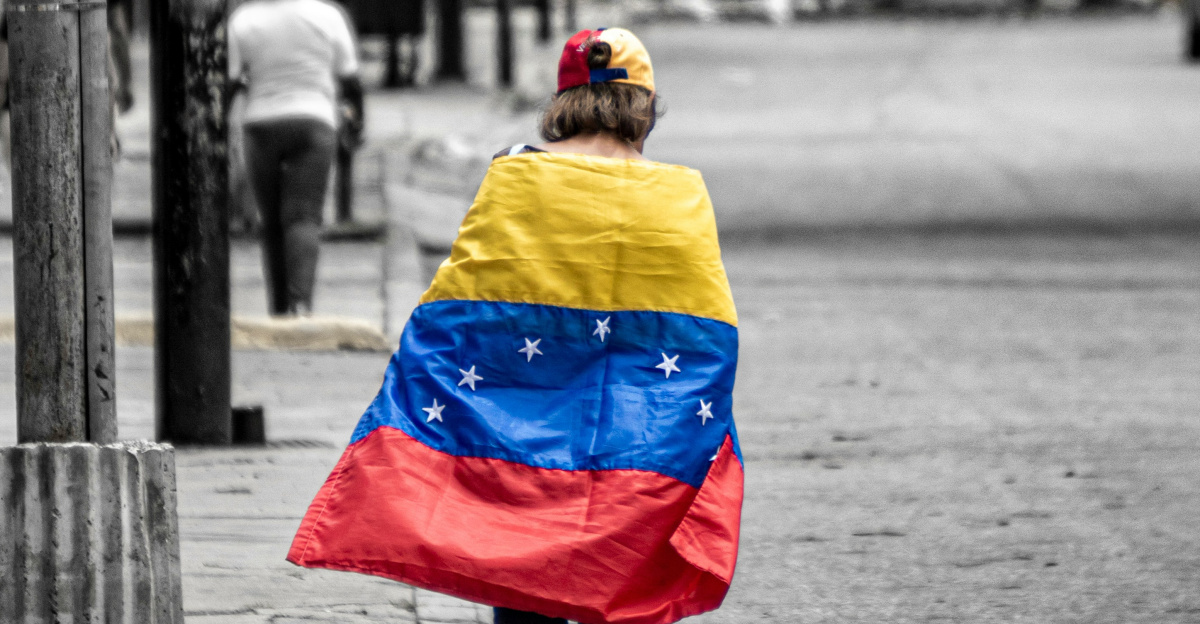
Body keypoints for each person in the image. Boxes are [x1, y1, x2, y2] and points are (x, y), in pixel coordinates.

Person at [288, 28, 743, 624]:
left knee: (521, 566)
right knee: (619, 567)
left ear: (563, 101)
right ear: (645, 105)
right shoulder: (680, 194)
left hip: (520, 429)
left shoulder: (514, 171)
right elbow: (705, 332)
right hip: (626, 437)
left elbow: (461, 299)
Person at [228, 0, 364, 316]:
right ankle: (300, 305)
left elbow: (230, 83)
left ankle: (278, 310)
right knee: (303, 217)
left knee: (272, 222)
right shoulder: (327, 16)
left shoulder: (243, 20)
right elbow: (351, 81)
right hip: (315, 123)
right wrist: (357, 124)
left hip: (261, 125)